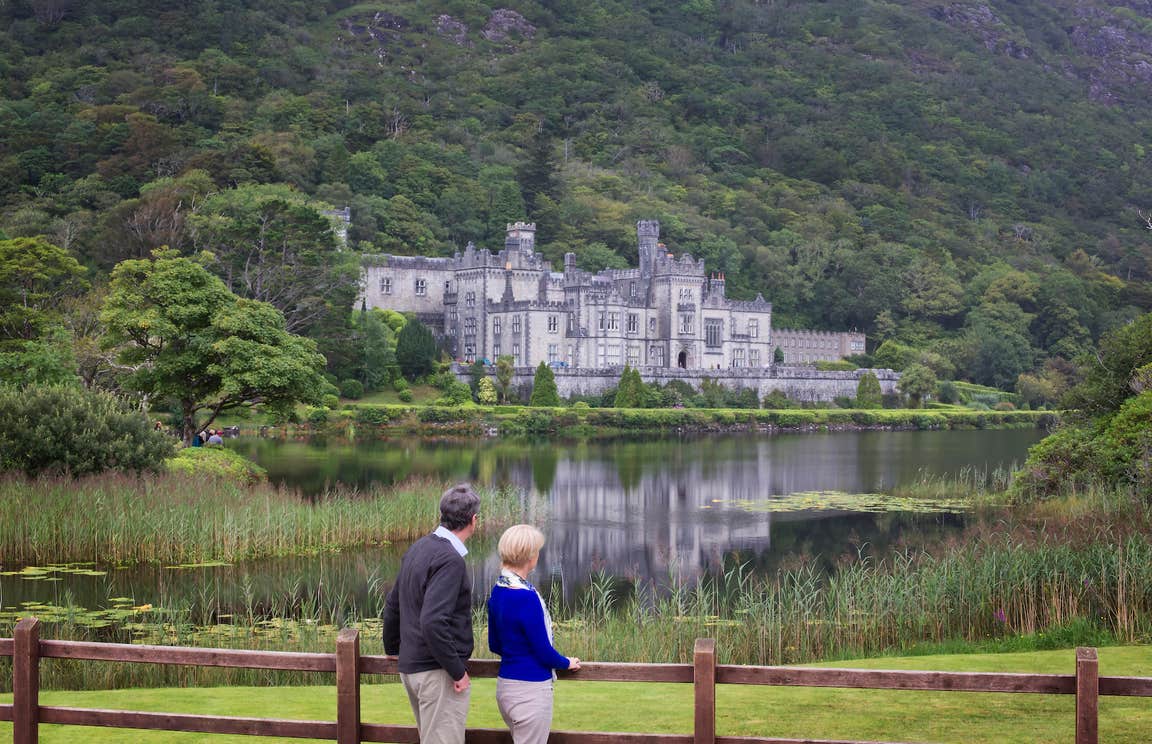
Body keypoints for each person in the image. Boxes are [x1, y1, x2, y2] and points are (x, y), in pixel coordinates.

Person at [383, 483, 480, 744]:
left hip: (413, 668)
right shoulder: (450, 560)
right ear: (473, 520)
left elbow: (393, 604)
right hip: (436, 672)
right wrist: (457, 671)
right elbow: (433, 621)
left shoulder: (419, 547)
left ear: (443, 514)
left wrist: (393, 648)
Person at [488, 524, 580, 744]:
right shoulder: (526, 597)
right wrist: (566, 662)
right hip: (530, 691)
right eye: (537, 550)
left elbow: (494, 644)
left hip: (506, 688)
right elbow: (543, 651)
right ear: (530, 556)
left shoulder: (499, 589)